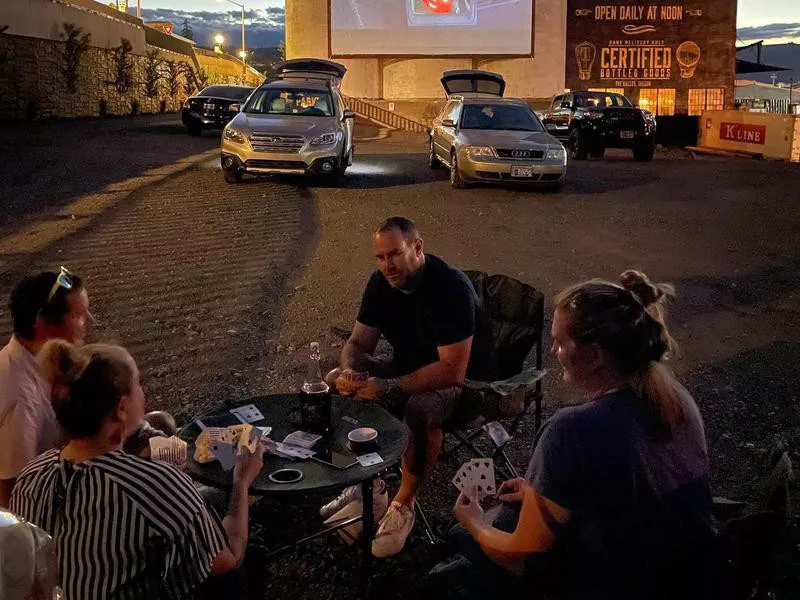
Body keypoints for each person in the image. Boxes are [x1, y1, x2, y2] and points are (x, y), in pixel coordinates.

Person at [445, 270, 715, 599]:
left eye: (559, 341)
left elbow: (521, 557)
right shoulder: (676, 399)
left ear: (596, 355)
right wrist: (539, 491)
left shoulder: (570, 430)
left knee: (461, 536)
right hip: (687, 574)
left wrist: (474, 522)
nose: (553, 350)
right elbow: (621, 482)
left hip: (617, 584)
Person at [9, 339, 265, 599]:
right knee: (240, 565)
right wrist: (242, 481)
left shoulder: (31, 476)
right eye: (137, 385)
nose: (144, 392)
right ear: (121, 409)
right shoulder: (155, 485)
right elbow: (226, 559)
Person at [327, 216, 492, 558]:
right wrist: (350, 373)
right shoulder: (380, 284)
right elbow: (358, 345)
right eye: (381, 257)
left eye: (395, 254)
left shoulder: (450, 288)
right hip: (408, 366)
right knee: (333, 384)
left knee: (419, 409)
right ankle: (369, 486)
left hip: (465, 380)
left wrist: (387, 386)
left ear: (418, 248)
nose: (388, 265)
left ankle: (404, 503)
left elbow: (452, 369)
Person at [0, 267, 91, 507]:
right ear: (42, 322)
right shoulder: (21, 396)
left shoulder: (39, 361)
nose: (88, 321)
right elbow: (11, 490)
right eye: (78, 315)